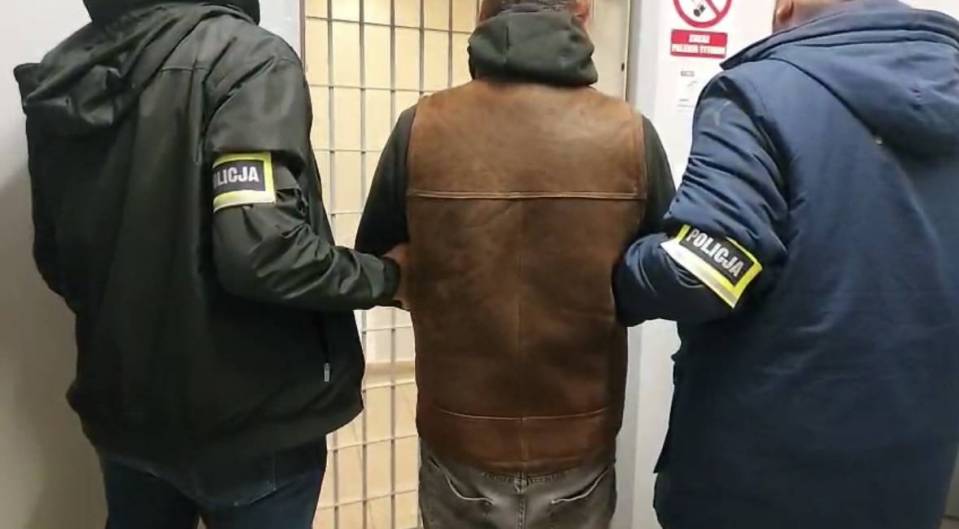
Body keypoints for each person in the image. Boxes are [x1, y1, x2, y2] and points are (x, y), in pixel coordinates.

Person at [15, 1, 402, 527]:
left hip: (124, 411)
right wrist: (390, 277)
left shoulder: (66, 74)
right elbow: (264, 251)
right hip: (249, 419)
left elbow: (58, 261)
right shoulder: (245, 57)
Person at [614, 1, 959, 528]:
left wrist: (619, 272)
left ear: (785, 7)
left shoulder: (761, 93)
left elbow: (700, 274)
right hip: (909, 481)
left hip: (756, 484)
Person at [355, 0, 674, 527]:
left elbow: (379, 267)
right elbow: (659, 277)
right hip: (578, 441)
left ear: (482, 14)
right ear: (582, 11)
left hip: (459, 437)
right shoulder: (630, 133)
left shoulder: (422, 126)